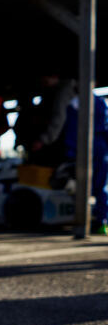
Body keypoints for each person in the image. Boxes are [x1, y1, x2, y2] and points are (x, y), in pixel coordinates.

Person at [64, 93, 108, 235]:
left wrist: (70, 152)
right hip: (101, 148)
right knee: (101, 186)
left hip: (84, 147)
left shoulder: (75, 102)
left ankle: (83, 221)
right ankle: (101, 221)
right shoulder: (100, 102)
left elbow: (71, 129)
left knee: (81, 186)